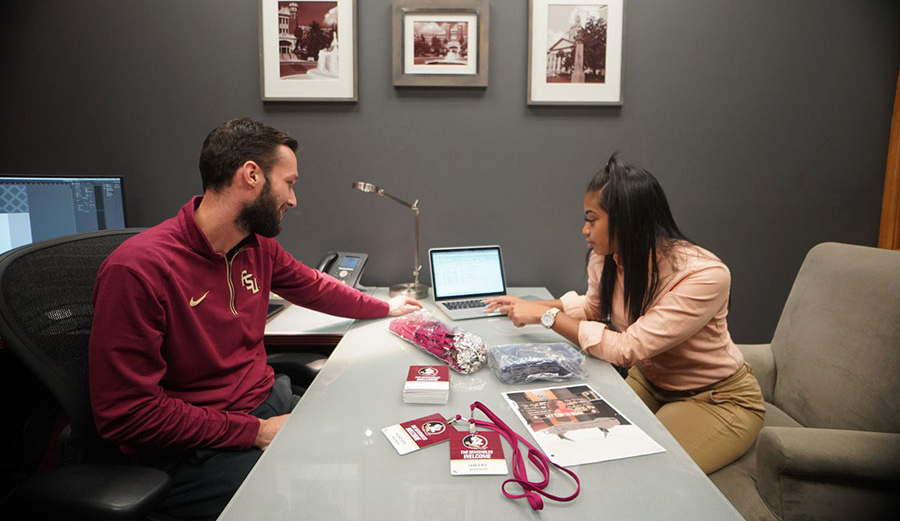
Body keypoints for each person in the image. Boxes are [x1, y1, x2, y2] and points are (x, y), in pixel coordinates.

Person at [89, 117, 421, 520]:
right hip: (197, 448)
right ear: (251, 175)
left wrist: (385, 307)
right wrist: (256, 432)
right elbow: (128, 415)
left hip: (266, 407)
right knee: (328, 502)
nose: (294, 200)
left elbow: (313, 285)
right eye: (290, 182)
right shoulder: (138, 269)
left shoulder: (254, 246)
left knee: (378, 448)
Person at [485, 155, 765, 474]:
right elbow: (594, 307)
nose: (584, 229)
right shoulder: (608, 257)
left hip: (714, 399)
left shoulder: (704, 276)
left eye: (592, 219)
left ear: (626, 219)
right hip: (650, 382)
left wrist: (548, 315)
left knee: (646, 470)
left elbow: (626, 349)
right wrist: (533, 307)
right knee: (575, 441)